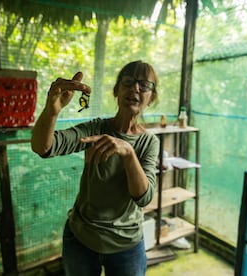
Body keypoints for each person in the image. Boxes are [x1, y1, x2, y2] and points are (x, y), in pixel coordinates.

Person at [31, 60, 160, 276]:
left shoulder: (149, 143)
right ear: (116, 90)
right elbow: (43, 147)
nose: (135, 88)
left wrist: (128, 152)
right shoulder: (96, 128)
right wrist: (51, 111)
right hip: (81, 238)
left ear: (151, 97)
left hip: (126, 245)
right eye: (128, 82)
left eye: (144, 85)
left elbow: (144, 198)